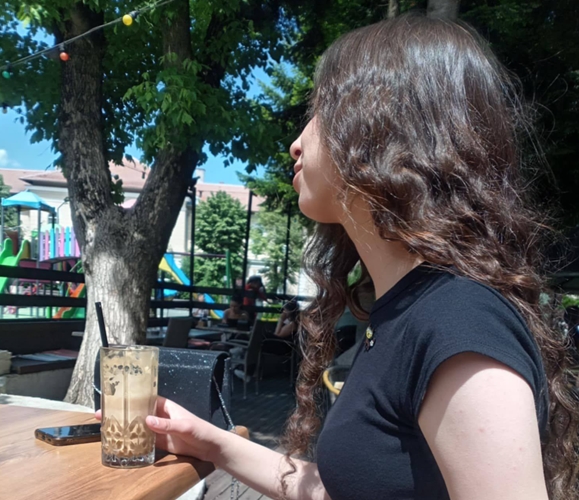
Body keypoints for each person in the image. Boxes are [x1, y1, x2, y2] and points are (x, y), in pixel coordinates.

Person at [96, 15, 579, 500]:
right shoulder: (404, 313)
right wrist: (211, 443)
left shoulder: (459, 322)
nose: (296, 143)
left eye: (322, 110)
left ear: (384, 127)